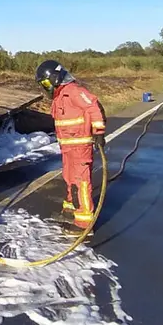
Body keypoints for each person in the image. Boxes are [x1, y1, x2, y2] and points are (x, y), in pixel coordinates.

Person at [35, 60, 107, 235]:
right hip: (67, 148)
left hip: (80, 146)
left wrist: (98, 131)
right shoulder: (60, 97)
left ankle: (84, 224)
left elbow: (93, 107)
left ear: (55, 78)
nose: (46, 87)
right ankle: (71, 209)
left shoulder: (74, 91)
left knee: (81, 181)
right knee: (69, 178)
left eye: (46, 83)